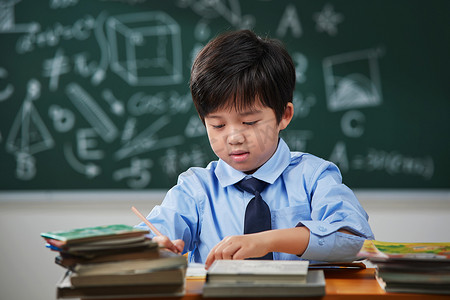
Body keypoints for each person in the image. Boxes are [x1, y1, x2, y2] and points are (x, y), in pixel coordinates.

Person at [135, 29, 374, 269]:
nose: (234, 138)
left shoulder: (313, 177)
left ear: (284, 115)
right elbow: (149, 235)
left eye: (249, 122)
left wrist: (267, 241)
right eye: (218, 125)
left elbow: (357, 240)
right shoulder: (196, 189)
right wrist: (154, 246)